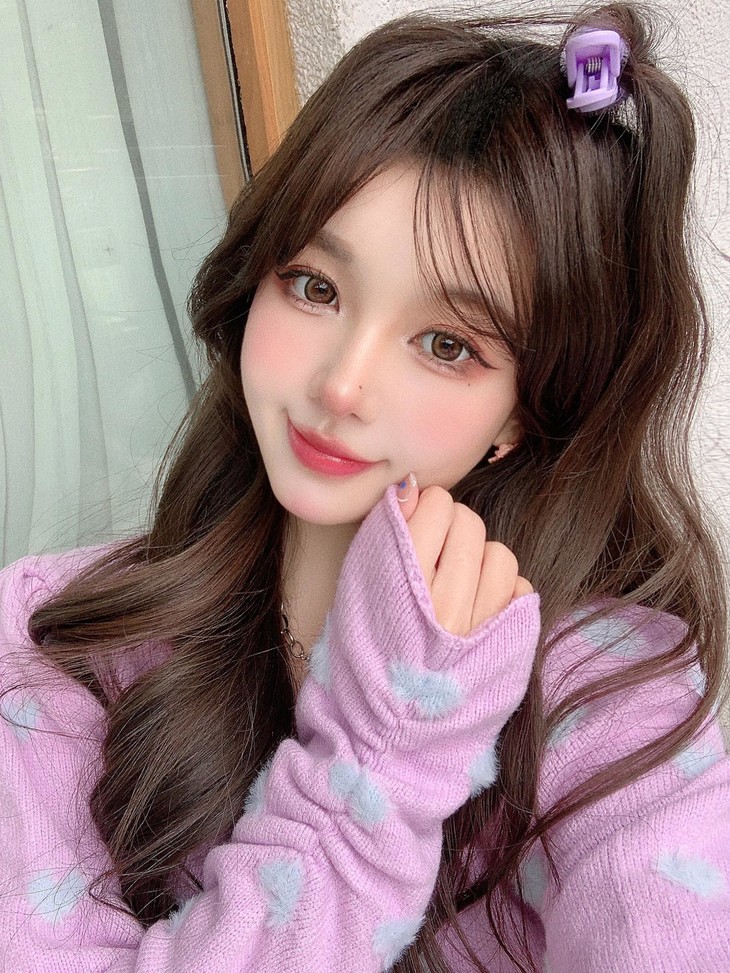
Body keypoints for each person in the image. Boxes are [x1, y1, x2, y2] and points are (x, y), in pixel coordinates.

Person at [0, 2, 728, 970]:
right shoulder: (57, 639)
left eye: (446, 344)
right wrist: (380, 757)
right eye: (316, 287)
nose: (342, 385)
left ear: (524, 408)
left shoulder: (611, 698)